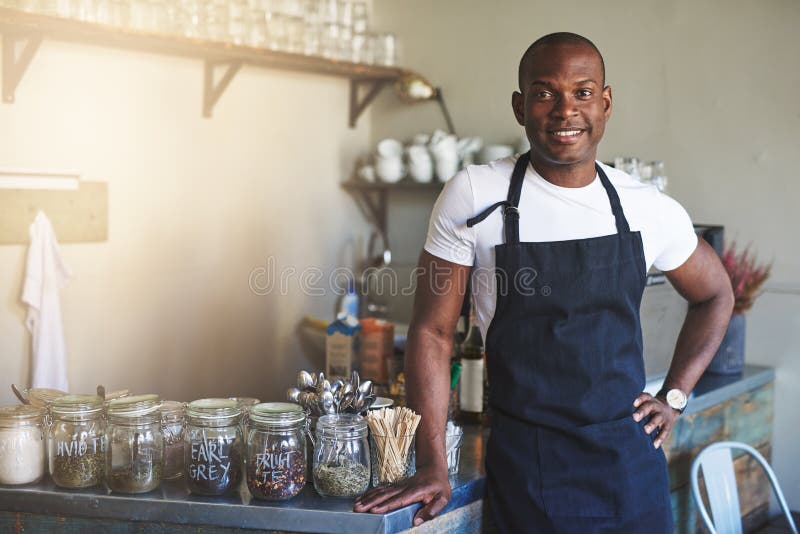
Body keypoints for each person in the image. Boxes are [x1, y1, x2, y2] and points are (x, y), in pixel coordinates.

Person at [354, 32, 734, 533]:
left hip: (630, 469)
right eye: (544, 92)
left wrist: (676, 396)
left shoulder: (646, 207)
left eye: (582, 92)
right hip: (528, 469)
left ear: (606, 102)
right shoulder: (473, 194)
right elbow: (432, 333)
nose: (564, 110)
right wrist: (433, 464)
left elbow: (715, 294)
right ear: (520, 106)